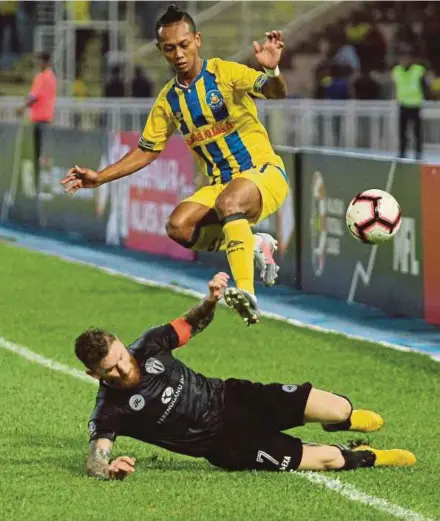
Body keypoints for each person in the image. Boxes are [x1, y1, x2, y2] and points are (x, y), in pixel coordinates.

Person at [62, 4, 290, 327]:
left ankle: (246, 290)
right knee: (178, 227)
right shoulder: (169, 101)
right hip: (221, 187)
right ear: (160, 50)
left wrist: (272, 71)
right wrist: (100, 177)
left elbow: (274, 92)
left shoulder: (224, 73)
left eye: (184, 45)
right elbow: (145, 151)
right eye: (170, 48)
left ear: (197, 40)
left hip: (263, 173)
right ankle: (252, 242)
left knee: (229, 201)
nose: (179, 54)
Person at [74, 272, 416, 480]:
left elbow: (191, 324)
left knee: (339, 408)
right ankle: (369, 456)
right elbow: (94, 460)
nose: (122, 368)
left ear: (120, 343)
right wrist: (110, 469)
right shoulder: (109, 410)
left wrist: (210, 300)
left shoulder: (148, 344)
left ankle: (339, 422)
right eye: (111, 370)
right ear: (93, 374)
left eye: (120, 357)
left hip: (234, 398)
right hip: (225, 445)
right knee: (330, 459)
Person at [16, 52, 57, 194]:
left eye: (39, 61)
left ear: (45, 62)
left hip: (39, 120)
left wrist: (22, 108)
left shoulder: (42, 77)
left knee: (36, 153)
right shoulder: (52, 77)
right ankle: (44, 185)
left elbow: (33, 96)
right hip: (47, 119)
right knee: (44, 153)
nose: (37, 64)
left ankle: (36, 185)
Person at [391, 49, 429, 160]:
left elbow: (424, 86)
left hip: (415, 104)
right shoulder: (397, 71)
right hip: (403, 104)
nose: (404, 61)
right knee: (402, 131)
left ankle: (418, 152)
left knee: (417, 131)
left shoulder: (418, 70)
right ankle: (402, 152)